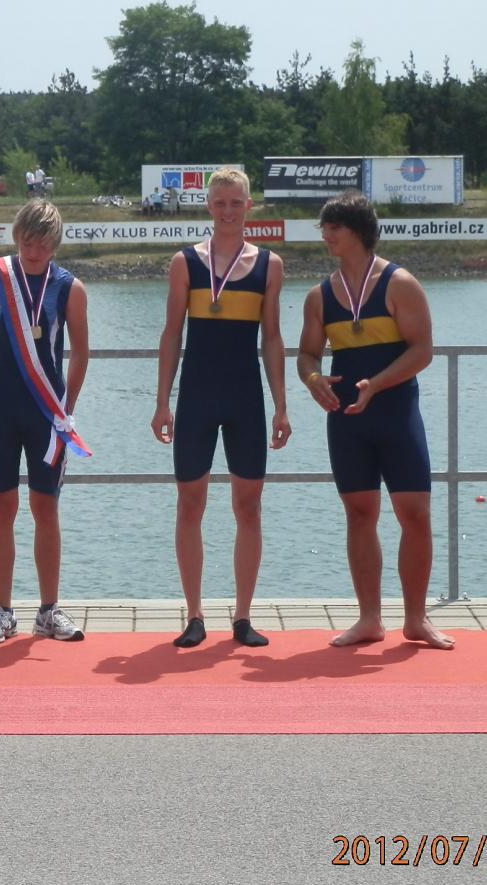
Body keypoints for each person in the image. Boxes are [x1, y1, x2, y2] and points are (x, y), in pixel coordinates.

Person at [297, 191, 454, 650]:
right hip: (346, 418)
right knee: (360, 514)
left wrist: (377, 384)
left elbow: (422, 350)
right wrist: (312, 379)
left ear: (359, 232)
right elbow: (307, 354)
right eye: (324, 227)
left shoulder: (400, 284)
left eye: (334, 228)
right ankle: (369, 619)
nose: (325, 235)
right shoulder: (319, 296)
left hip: (395, 413)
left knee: (415, 514)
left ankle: (416, 619)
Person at [151, 167, 291, 649]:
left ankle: (243, 616)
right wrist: (162, 401)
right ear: (207, 206)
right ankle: (193, 614)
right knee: (190, 504)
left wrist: (281, 405)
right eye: (219, 203)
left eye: (236, 203)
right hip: (196, 398)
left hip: (245, 399)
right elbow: (172, 335)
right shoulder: (185, 263)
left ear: (249, 206)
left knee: (248, 507)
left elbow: (272, 339)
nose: (227, 211)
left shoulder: (270, 265)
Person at [0, 200, 91, 644]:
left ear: (55, 245)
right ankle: (2, 610)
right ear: (16, 237)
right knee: (2, 507)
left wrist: (66, 408)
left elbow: (81, 352)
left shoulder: (70, 287)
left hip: (47, 414)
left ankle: (49, 609)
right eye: (27, 242)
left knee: (46, 507)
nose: (34, 251)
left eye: (43, 244)